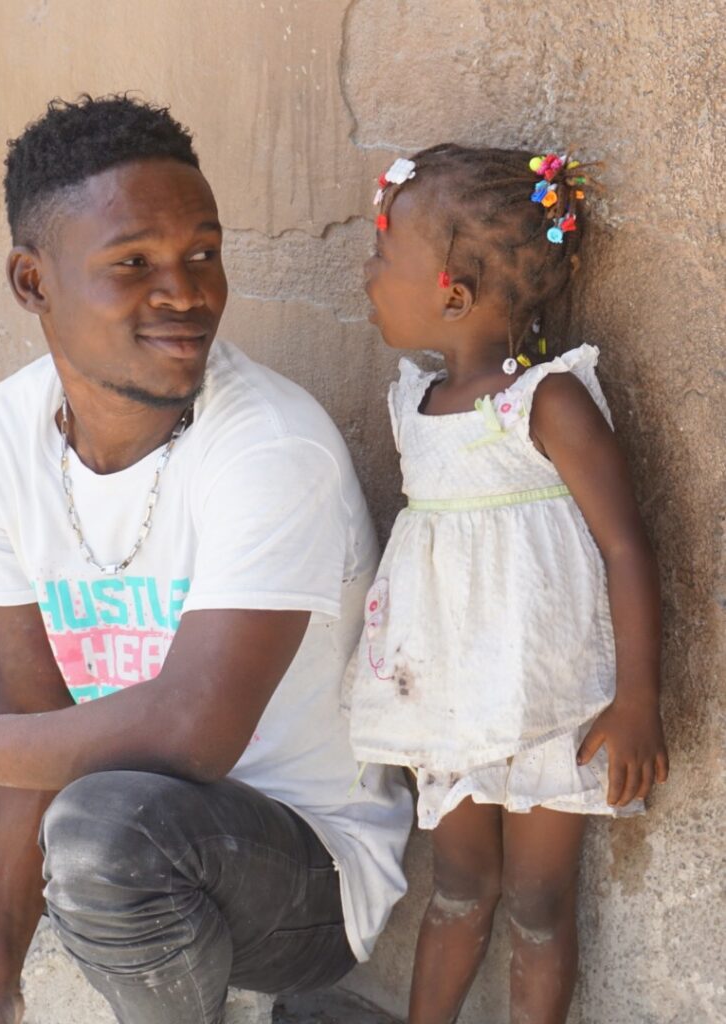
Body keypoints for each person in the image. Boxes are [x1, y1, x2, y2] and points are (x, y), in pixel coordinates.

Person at [0, 94, 413, 1024]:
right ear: (32, 282)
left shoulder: (270, 446)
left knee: (107, 829)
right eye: (133, 263)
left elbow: (193, 734)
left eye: (203, 255)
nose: (185, 292)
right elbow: (32, 706)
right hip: (98, 812)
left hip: (299, 869)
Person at [346, 146, 669, 1024]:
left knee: (537, 900)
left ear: (451, 293)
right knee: (457, 886)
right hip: (448, 696)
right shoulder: (412, 403)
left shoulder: (547, 405)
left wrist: (637, 698)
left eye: (384, 258)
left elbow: (626, 547)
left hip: (547, 697)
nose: (368, 274)